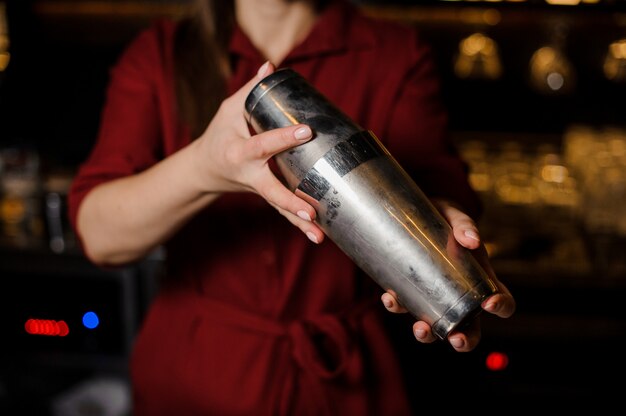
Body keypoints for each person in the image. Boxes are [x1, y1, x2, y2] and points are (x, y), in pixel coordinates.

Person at [68, 0, 516, 414]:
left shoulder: (392, 52)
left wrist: (443, 227)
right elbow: (102, 238)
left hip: (346, 383)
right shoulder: (161, 54)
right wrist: (202, 168)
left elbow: (437, 189)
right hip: (197, 376)